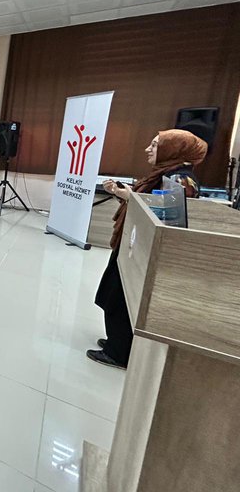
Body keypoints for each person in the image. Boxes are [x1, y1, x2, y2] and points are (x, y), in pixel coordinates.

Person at [89, 129, 207, 369]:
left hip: (145, 249)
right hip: (133, 242)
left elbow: (167, 218)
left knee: (122, 297)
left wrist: (130, 197)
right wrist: (123, 194)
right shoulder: (164, 173)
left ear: (172, 149)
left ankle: (119, 352)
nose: (148, 149)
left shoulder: (181, 180)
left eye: (155, 145)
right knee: (114, 293)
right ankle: (116, 342)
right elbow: (151, 202)